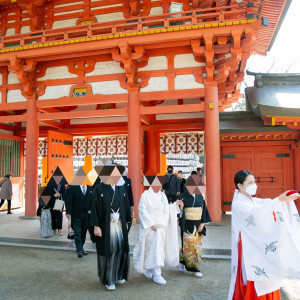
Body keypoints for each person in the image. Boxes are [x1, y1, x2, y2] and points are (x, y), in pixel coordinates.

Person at [228, 170, 300, 300]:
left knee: (269, 275)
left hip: (257, 245)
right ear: (240, 186)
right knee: (256, 277)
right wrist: (278, 201)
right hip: (249, 247)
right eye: (250, 182)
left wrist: (282, 199)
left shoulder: (252, 201)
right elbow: (258, 212)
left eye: (254, 181)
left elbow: (265, 204)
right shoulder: (239, 204)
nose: (254, 184)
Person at [133, 175, 182, 285]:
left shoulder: (162, 195)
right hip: (149, 227)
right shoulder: (145, 195)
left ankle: (152, 270)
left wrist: (175, 206)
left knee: (158, 249)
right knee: (150, 249)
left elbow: (166, 211)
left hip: (160, 226)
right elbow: (142, 211)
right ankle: (156, 273)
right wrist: (151, 224)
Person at [89, 166, 131, 291]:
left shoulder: (121, 187)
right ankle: (109, 279)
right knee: (109, 251)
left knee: (120, 249)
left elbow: (126, 204)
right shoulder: (99, 188)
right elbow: (94, 207)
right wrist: (96, 226)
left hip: (119, 224)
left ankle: (118, 275)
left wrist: (127, 220)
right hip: (106, 225)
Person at [177, 175, 211, 278]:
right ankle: (183, 263)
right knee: (187, 246)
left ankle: (195, 269)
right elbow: (178, 213)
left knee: (197, 247)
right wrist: (181, 208)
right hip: (187, 224)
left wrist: (203, 224)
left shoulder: (200, 196)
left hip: (198, 225)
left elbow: (204, 211)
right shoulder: (182, 196)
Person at [65, 184, 93, 258]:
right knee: (77, 232)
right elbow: (69, 200)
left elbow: (93, 202)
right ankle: (79, 250)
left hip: (87, 215)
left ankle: (81, 248)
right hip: (76, 214)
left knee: (83, 233)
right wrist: (68, 212)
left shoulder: (90, 189)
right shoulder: (73, 188)